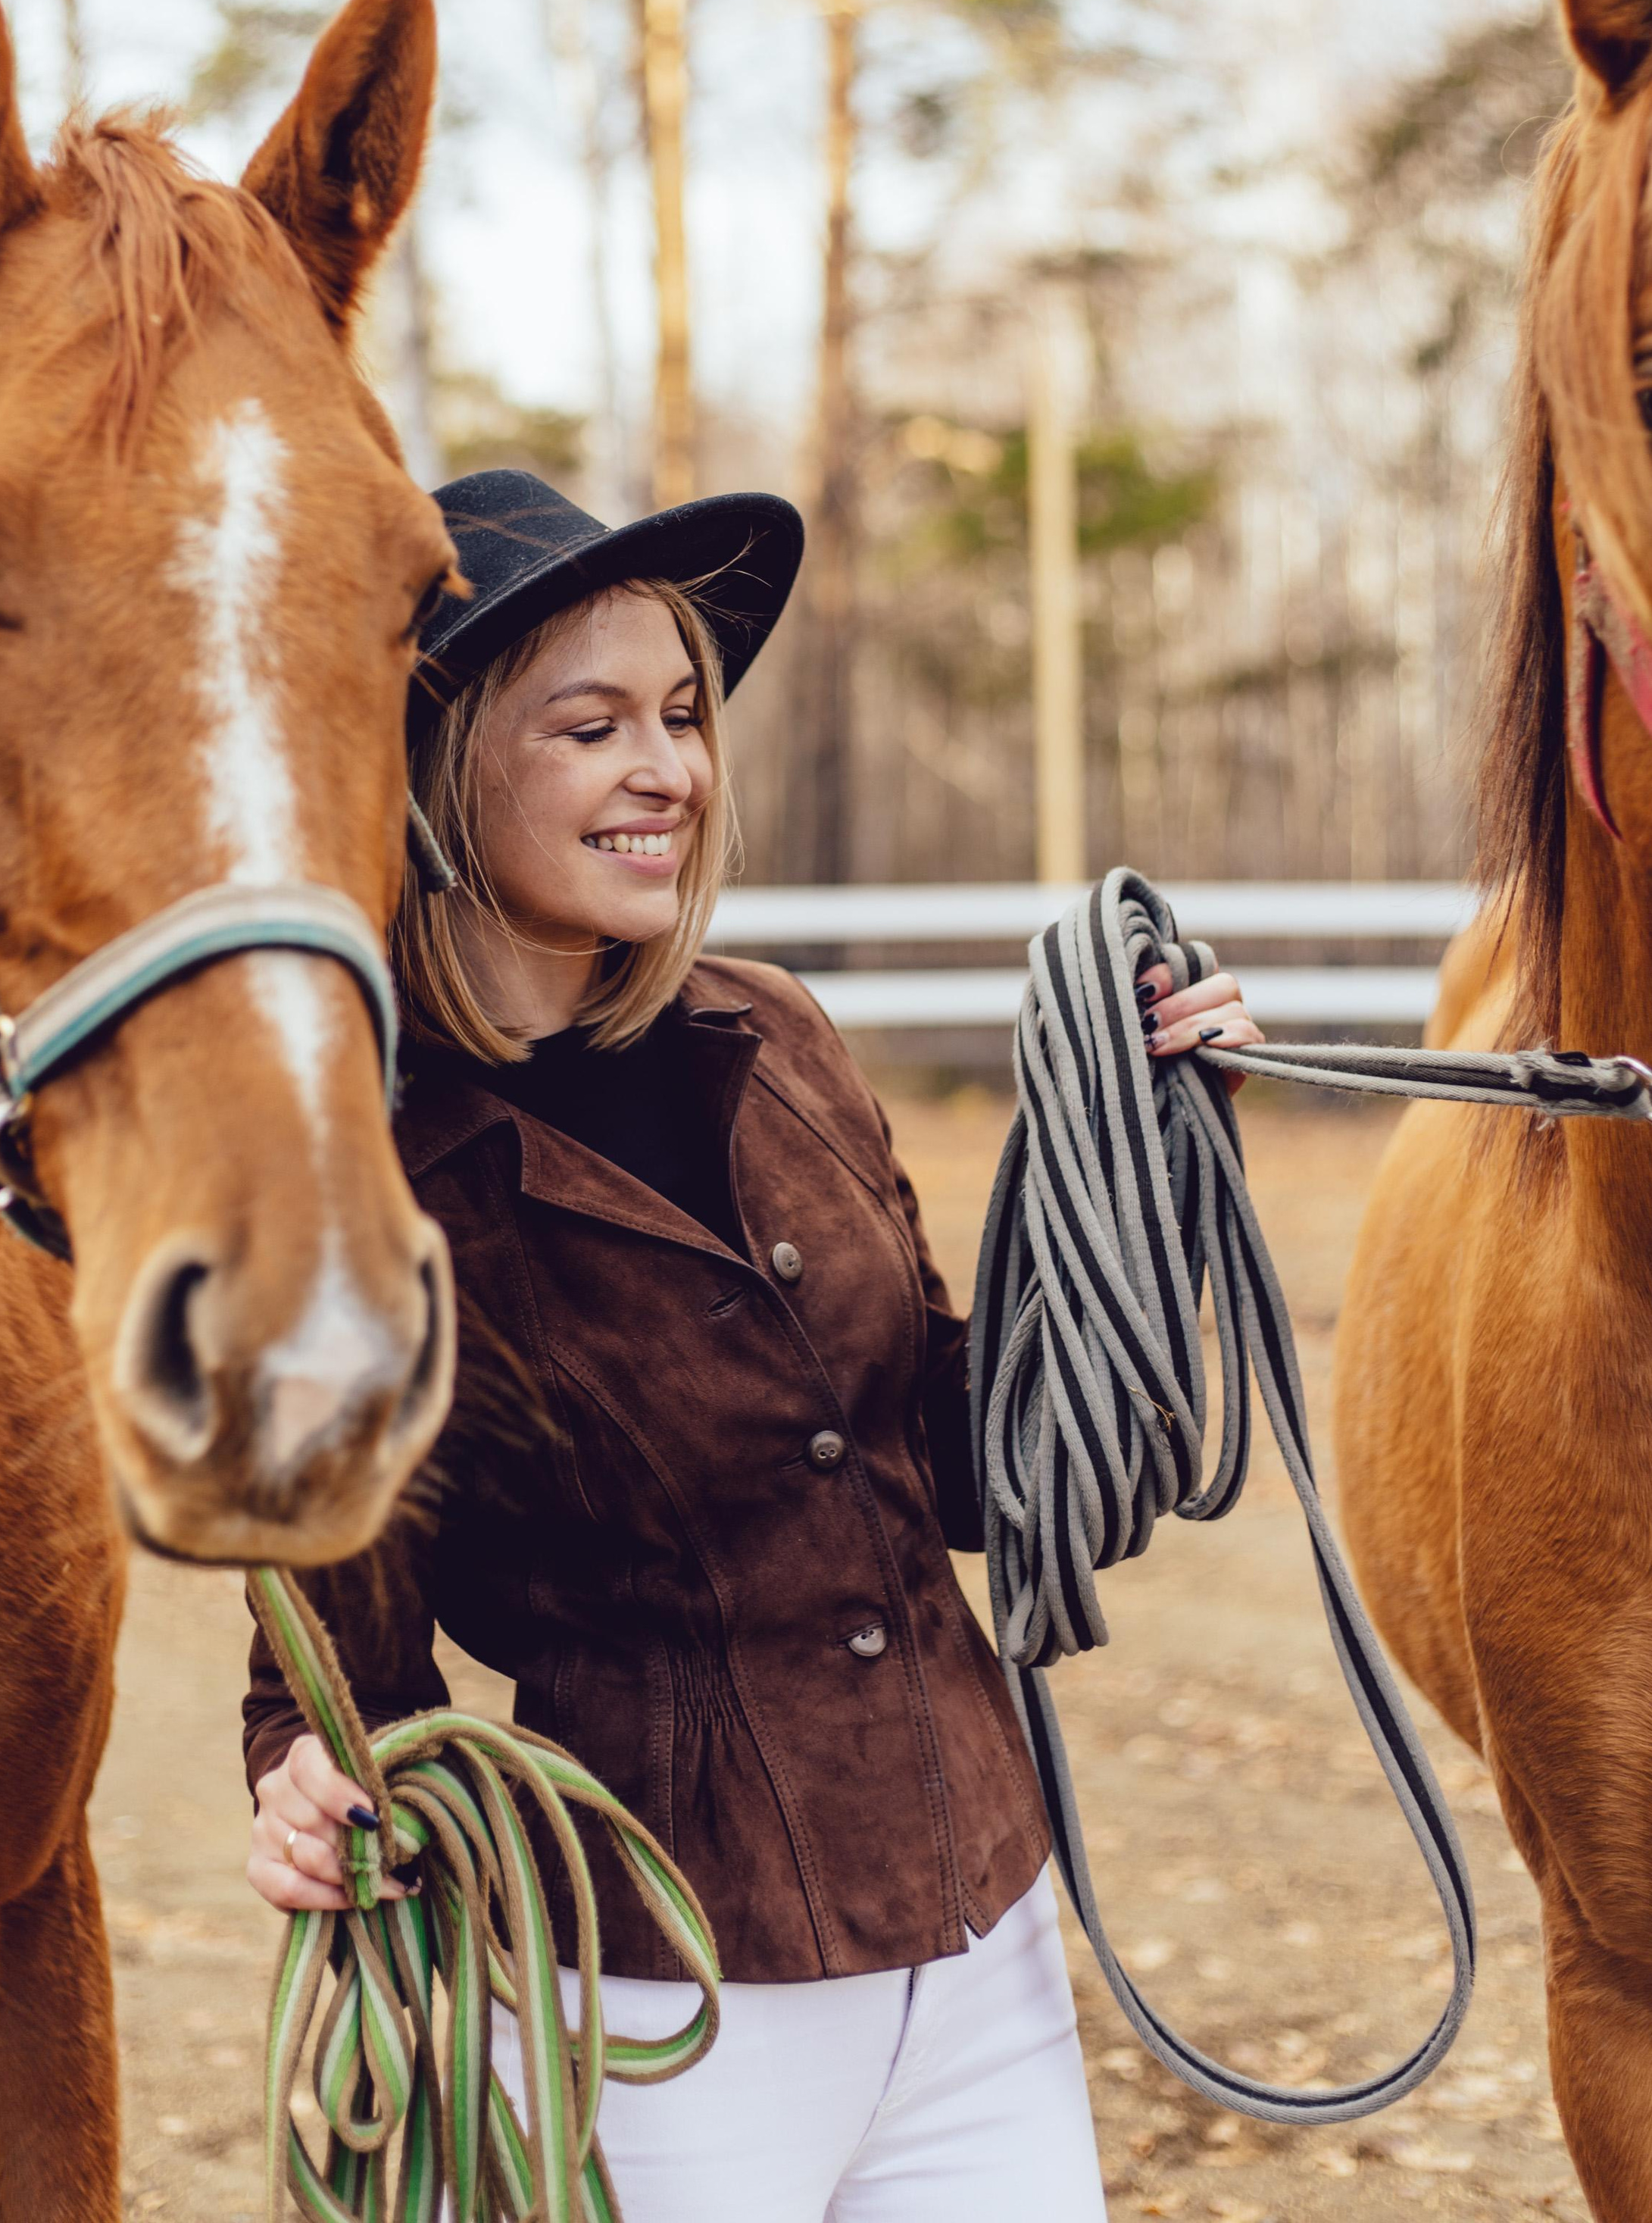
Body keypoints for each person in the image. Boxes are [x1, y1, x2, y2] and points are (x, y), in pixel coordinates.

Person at [241, 466, 1263, 2222]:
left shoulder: (775, 1032)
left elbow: (962, 1457)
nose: (669, 770)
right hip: (651, 1991)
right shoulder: (364, 1159)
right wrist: (297, 1764)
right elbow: (336, 1635)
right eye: (592, 725)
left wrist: (1151, 1173)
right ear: (437, 763)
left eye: (683, 715)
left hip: (978, 1928)